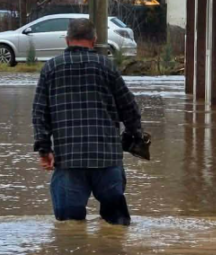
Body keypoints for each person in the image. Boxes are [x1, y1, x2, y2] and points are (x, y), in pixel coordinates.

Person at [31, 18, 144, 226]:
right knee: (116, 225)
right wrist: (134, 135)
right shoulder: (107, 66)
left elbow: (39, 114)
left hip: (68, 159)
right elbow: (129, 107)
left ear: (67, 40)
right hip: (107, 159)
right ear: (94, 40)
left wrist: (44, 149)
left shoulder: (50, 69)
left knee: (68, 228)